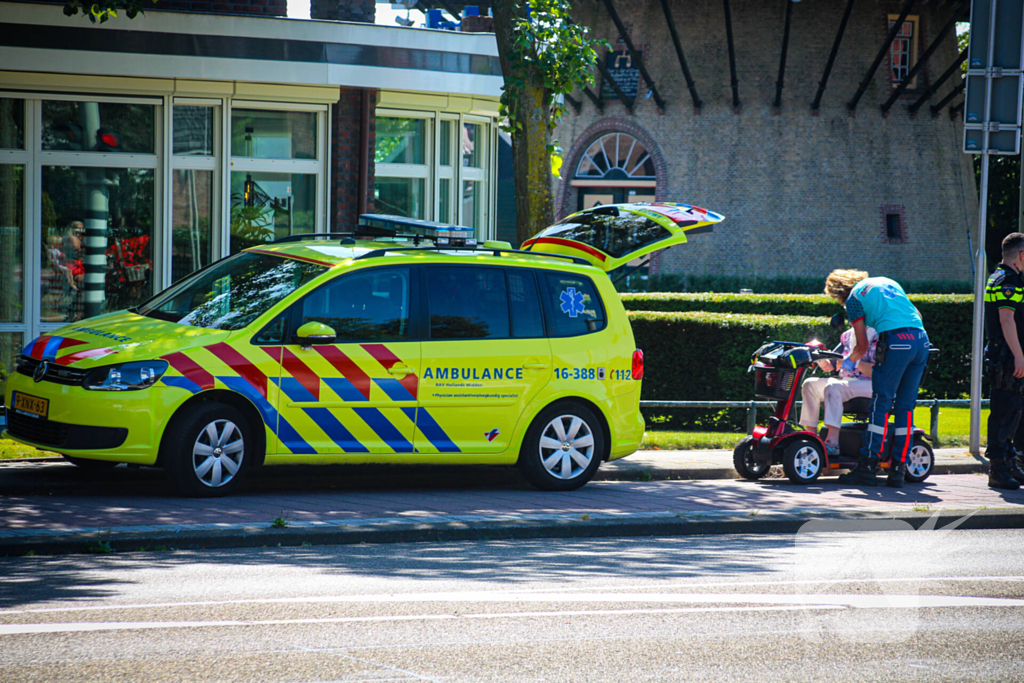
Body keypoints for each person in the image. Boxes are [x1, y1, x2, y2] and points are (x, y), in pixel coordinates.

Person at [824, 269, 929, 488]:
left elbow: (861, 346)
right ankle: (898, 470)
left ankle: (867, 468)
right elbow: (916, 316)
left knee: (880, 403)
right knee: (905, 408)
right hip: (921, 340)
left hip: (897, 341)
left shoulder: (853, 300)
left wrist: (849, 361)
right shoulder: (888, 282)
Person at [983, 233, 1024, 490]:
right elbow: (1006, 319)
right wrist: (1019, 355)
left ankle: (1008, 461)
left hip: (1002, 354)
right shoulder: (1009, 280)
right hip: (1008, 356)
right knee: (1005, 409)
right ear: (1022, 256)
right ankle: (998, 467)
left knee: (1011, 409)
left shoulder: (997, 276)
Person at [799, 326, 877, 457]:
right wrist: (818, 356)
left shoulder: (876, 335)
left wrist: (854, 362)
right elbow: (830, 367)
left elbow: (877, 372)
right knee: (809, 384)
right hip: (847, 381)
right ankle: (811, 438)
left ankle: (832, 443)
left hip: (870, 384)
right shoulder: (847, 336)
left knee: (833, 387)